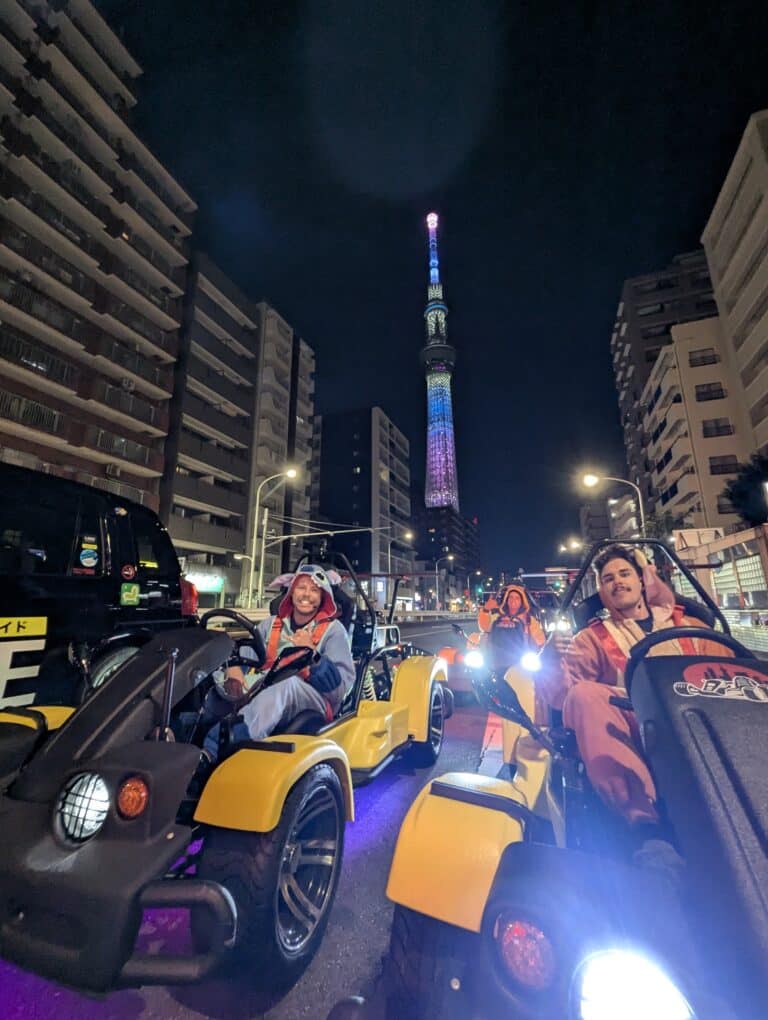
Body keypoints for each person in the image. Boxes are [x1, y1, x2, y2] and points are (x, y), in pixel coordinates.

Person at [542, 544, 729, 868]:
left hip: (701, 724)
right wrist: (551, 659)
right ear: (601, 592)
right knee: (586, 695)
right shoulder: (591, 638)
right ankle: (648, 832)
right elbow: (565, 697)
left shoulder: (692, 628)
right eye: (609, 578)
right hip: (634, 729)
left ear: (643, 580)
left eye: (625, 573)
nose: (618, 582)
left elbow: (732, 670)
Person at [205, 565, 354, 757]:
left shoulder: (334, 631)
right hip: (266, 688)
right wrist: (233, 668)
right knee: (215, 682)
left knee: (286, 684)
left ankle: (217, 749)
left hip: (313, 696)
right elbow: (246, 652)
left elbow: (339, 692)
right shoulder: (271, 624)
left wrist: (313, 654)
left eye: (314, 590)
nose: (306, 595)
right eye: (301, 587)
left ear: (323, 597)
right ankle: (182, 737)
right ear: (291, 592)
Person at [478, 583, 546, 672]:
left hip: (521, 663)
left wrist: (539, 654)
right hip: (496, 660)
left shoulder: (529, 620)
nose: (513, 600)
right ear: (506, 599)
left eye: (517, 598)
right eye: (511, 597)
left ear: (522, 601)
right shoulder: (497, 617)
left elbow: (540, 641)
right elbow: (484, 628)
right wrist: (486, 610)